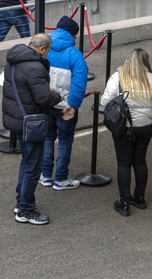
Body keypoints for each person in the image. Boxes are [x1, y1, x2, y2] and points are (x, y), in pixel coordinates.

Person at [2, 34, 63, 225]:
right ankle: (26, 211)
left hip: (17, 120)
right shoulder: (35, 67)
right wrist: (56, 97)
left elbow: (24, 89)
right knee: (33, 167)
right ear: (42, 49)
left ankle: (21, 202)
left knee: (26, 162)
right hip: (31, 122)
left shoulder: (13, 60)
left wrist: (44, 90)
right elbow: (44, 99)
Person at [101, 48, 152, 217]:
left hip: (124, 128)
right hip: (145, 127)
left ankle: (124, 203)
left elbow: (105, 101)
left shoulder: (117, 78)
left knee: (124, 164)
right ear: (146, 61)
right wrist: (147, 115)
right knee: (140, 162)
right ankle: (140, 198)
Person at [39, 16, 88, 190]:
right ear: (72, 35)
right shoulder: (74, 54)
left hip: (46, 103)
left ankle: (45, 175)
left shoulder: (44, 48)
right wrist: (72, 105)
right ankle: (60, 179)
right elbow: (79, 83)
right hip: (65, 105)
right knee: (65, 141)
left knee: (47, 139)